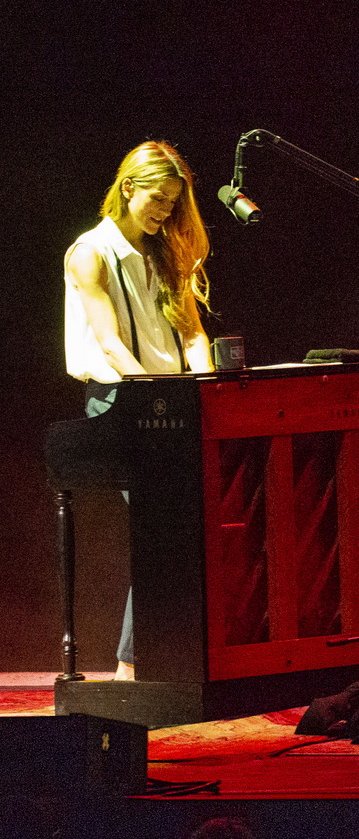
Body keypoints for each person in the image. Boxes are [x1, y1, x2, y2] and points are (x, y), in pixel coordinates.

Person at [64, 141, 214, 681]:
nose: (165, 211)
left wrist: (205, 387)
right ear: (128, 188)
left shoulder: (166, 253)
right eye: (158, 198)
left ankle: (160, 662)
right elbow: (110, 345)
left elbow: (192, 334)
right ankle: (130, 668)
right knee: (163, 525)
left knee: (183, 527)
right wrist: (156, 395)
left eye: (173, 202)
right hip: (121, 401)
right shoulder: (90, 253)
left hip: (172, 400)